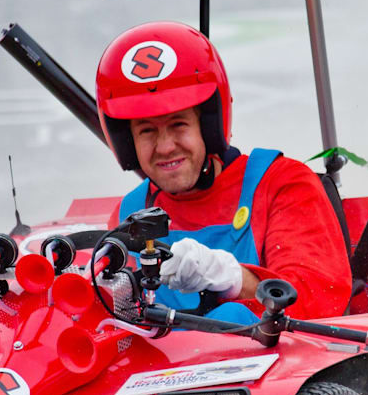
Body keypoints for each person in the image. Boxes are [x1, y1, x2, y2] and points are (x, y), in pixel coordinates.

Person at [95, 21, 352, 322]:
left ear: (209, 125)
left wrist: (233, 279)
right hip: (167, 367)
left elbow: (317, 303)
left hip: (275, 365)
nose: (164, 147)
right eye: (147, 131)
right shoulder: (128, 217)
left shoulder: (281, 185)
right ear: (127, 143)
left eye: (179, 124)